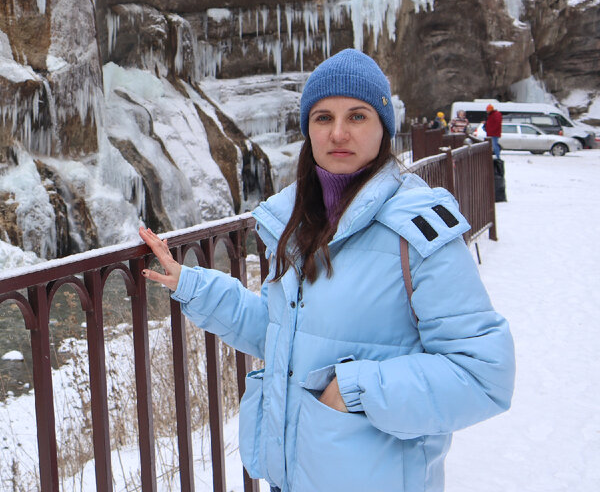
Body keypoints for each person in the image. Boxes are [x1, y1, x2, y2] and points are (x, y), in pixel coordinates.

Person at [139, 49, 514, 492]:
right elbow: (283, 335)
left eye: (357, 116)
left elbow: (485, 375)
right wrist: (193, 284)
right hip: (292, 475)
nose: (338, 132)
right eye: (322, 117)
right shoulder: (299, 223)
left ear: (383, 128)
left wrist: (355, 388)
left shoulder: (417, 231)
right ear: (307, 130)